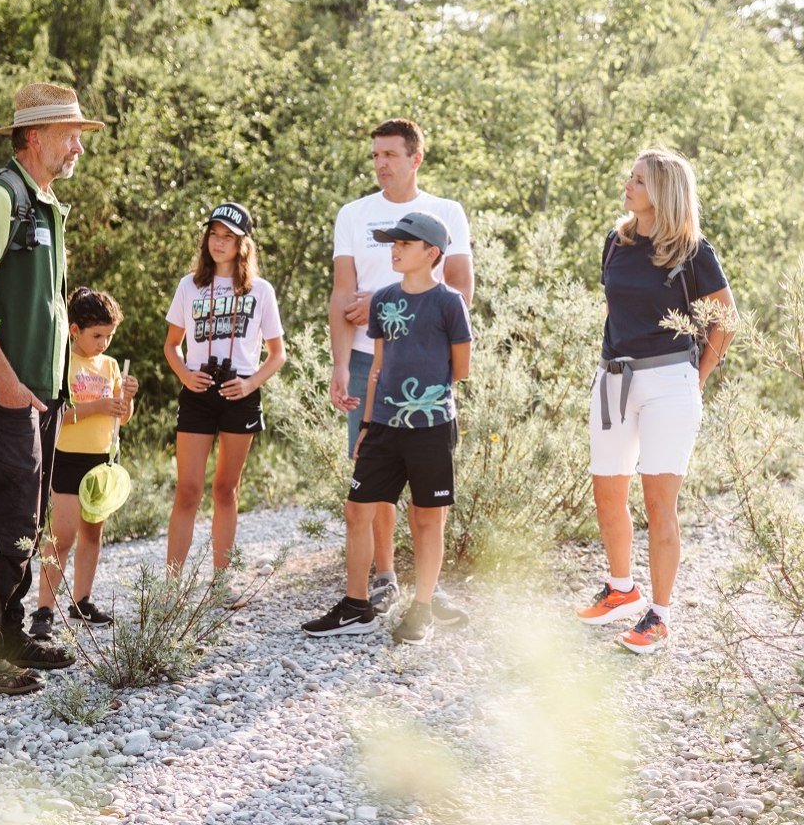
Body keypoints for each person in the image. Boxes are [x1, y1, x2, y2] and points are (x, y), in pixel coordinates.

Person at [0, 81, 100, 696]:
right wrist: (9, 385)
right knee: (4, 521)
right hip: (5, 395)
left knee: (30, 520)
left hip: (39, 396)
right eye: (71, 137)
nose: (78, 150)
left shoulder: (42, 202)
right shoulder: (0, 196)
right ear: (35, 137)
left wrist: (53, 390)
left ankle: (9, 634)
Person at [577, 149, 735, 654]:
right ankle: (622, 589)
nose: (628, 185)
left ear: (663, 192)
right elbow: (613, 309)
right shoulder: (615, 242)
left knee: (658, 504)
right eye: (630, 177)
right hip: (614, 379)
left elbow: (725, 319)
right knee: (607, 492)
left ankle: (660, 616)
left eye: (639, 180)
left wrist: (697, 376)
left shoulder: (692, 250)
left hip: (670, 382)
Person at [328, 119, 474, 621]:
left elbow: (458, 288)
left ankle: (427, 593)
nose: (380, 164)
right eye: (375, 155)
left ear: (416, 159)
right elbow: (343, 294)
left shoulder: (445, 212)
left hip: (428, 364)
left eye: (390, 154)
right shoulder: (353, 214)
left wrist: (405, 315)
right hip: (371, 360)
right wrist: (341, 364)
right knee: (374, 476)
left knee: (426, 491)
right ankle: (385, 578)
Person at [305, 210, 473, 643]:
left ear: (431, 253)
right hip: (382, 426)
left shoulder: (449, 302)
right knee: (357, 509)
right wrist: (366, 423)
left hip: (431, 426)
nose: (394, 249)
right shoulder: (382, 299)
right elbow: (378, 365)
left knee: (426, 518)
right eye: (392, 242)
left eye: (404, 243)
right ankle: (357, 605)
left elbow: (461, 368)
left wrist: (423, 403)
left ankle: (421, 610)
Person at [162, 203, 286, 592]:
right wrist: (185, 374)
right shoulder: (189, 285)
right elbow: (171, 346)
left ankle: (222, 583)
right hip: (198, 394)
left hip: (241, 394)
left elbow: (277, 353)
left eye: (228, 236)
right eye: (213, 234)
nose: (218, 242)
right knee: (189, 489)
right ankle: (171, 585)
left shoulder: (261, 291)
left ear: (242, 243)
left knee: (225, 489)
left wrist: (250, 385)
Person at [30, 287, 137, 639]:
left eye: (109, 336)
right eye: (97, 336)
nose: (104, 343)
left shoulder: (108, 366)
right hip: (68, 457)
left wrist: (126, 399)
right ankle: (44, 609)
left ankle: (82, 602)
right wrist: (97, 407)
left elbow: (122, 419)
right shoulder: (61, 364)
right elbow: (56, 416)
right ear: (74, 330)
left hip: (102, 459)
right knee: (63, 534)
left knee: (93, 532)